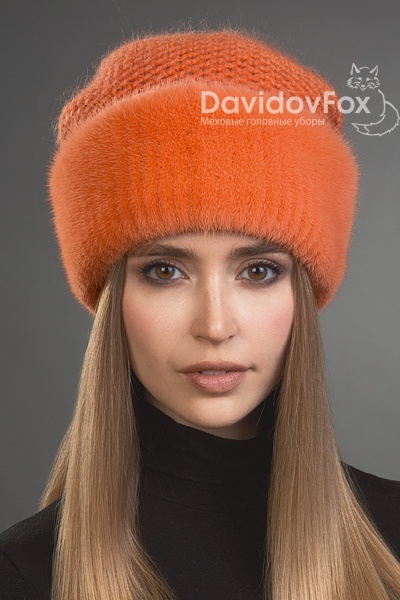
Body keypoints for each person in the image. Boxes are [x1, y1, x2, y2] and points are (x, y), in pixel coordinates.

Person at [0, 25, 399, 600]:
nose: (215, 326)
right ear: (112, 301)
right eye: (165, 271)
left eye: (258, 271)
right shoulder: (22, 574)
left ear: (302, 295)